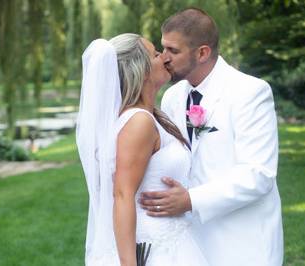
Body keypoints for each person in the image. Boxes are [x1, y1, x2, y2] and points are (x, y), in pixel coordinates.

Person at [139, 8, 284, 266]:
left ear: (203, 52)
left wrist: (191, 200)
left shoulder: (250, 92)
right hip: (188, 243)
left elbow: (258, 174)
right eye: (163, 49)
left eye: (173, 51)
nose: (163, 58)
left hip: (242, 242)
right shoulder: (173, 97)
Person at [76, 34, 209, 266]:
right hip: (153, 249)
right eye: (156, 54)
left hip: (175, 240)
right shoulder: (139, 122)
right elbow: (122, 195)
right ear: (142, 70)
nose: (165, 58)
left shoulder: (151, 116)